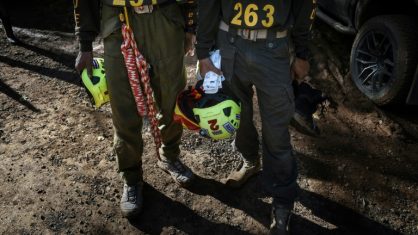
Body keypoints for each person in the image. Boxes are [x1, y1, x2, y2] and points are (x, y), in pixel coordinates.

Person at [196, 0, 316, 234]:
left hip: (273, 49)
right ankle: (250, 160)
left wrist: (302, 54)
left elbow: (304, 6)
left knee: (276, 132)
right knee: (238, 116)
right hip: (230, 45)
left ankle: (282, 199)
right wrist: (203, 52)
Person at [73, 0, 196, 218]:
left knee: (171, 98)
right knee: (124, 107)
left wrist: (190, 26)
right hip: (118, 21)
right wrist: (85, 44)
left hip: (164, 19)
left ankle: (169, 155)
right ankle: (131, 176)